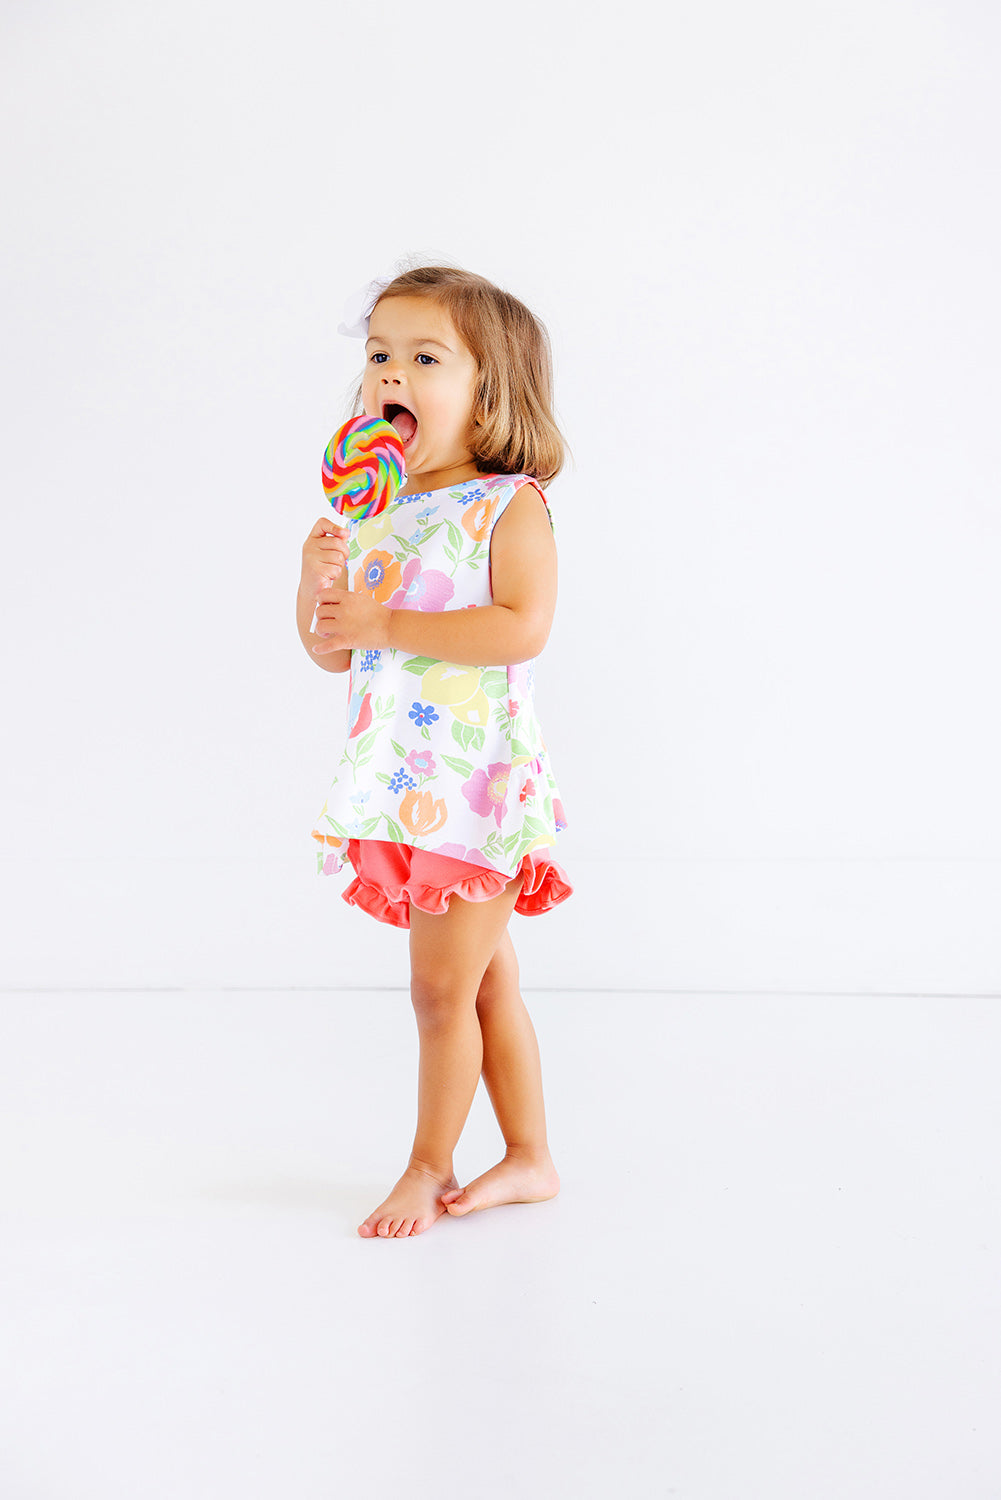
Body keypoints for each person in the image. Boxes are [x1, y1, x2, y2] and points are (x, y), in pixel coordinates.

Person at [296, 265, 572, 1239]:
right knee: (486, 982)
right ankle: (530, 1158)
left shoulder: (506, 505)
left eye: (423, 357)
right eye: (379, 354)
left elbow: (520, 626)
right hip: (401, 789)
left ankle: (428, 1166)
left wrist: (387, 621)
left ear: (489, 393)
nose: (390, 374)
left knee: (439, 990)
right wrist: (317, 585)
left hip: (475, 788)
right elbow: (334, 651)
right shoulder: (373, 512)